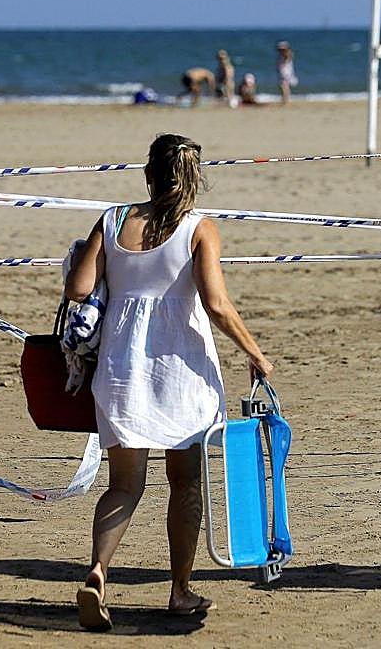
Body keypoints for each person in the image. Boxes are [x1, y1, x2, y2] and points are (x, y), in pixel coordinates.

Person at [64, 133, 275, 630]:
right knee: (185, 483)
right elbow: (217, 304)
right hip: (182, 370)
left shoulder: (113, 220)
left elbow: (78, 287)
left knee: (123, 486)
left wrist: (90, 261)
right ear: (194, 179)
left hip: (122, 367)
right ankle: (179, 591)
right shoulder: (199, 228)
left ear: (147, 175)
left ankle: (97, 572)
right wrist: (255, 352)